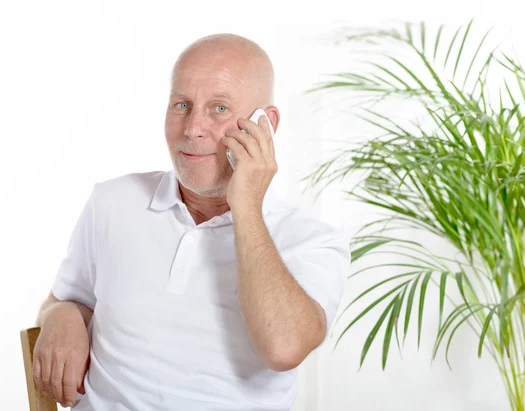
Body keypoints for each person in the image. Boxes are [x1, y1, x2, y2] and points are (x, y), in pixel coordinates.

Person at [32, 33, 351, 411]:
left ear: (265, 124)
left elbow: (284, 348)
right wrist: (62, 314)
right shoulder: (112, 202)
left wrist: (245, 207)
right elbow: (64, 300)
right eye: (181, 104)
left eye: (219, 108)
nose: (193, 128)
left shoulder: (314, 241)